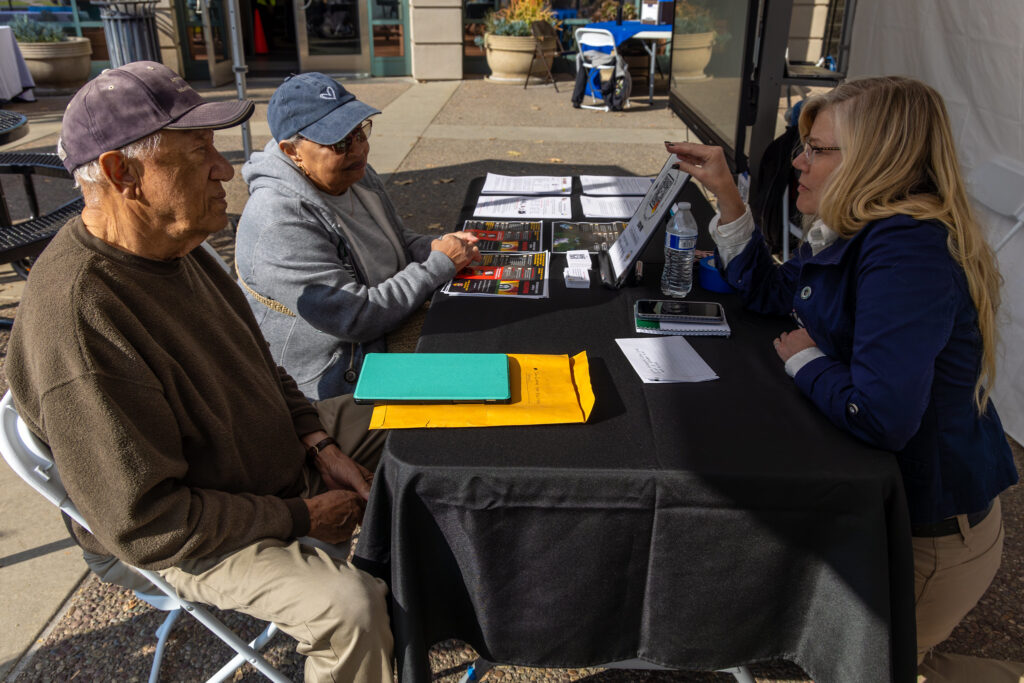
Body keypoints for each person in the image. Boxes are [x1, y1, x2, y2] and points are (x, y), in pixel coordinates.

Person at [5, 62, 394, 683]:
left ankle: (452, 583)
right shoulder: (80, 318)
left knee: (422, 416)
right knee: (349, 609)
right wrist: (301, 517)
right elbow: (148, 524)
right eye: (198, 151)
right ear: (120, 173)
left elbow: (261, 367)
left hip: (260, 458)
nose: (224, 168)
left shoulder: (178, 242)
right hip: (185, 531)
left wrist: (320, 445)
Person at [667, 76, 1022, 682]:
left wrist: (807, 362)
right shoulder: (865, 225)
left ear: (876, 159)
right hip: (897, 510)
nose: (798, 161)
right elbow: (778, 294)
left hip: (929, 536)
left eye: (819, 150)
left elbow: (881, 416)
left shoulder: (906, 251)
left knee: (870, 669)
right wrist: (727, 196)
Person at [235, 72, 479, 400]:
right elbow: (355, 317)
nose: (359, 149)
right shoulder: (281, 220)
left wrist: (439, 247)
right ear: (292, 151)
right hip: (340, 373)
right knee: (468, 375)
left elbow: (396, 241)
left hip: (384, 324)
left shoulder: (355, 173)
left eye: (360, 131)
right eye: (339, 142)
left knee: (489, 331)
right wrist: (438, 265)